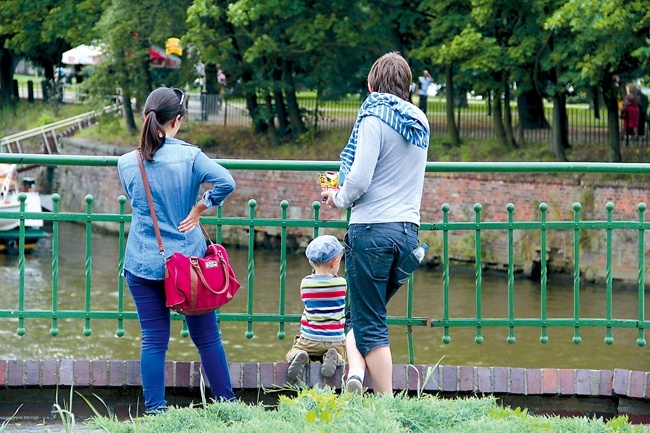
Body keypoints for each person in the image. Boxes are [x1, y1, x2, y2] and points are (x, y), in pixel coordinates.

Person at [117, 87, 237, 414]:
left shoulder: (127, 162)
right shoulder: (191, 156)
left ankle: (156, 411)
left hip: (143, 262)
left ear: (146, 117)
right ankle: (227, 405)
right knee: (208, 339)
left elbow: (138, 201)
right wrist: (201, 207)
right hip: (189, 266)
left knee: (154, 339)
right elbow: (226, 181)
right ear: (177, 121)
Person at [321, 52, 430, 396]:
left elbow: (359, 180)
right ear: (408, 87)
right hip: (407, 233)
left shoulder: (373, 117)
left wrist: (337, 199)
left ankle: (387, 404)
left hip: (371, 232)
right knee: (360, 315)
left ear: (371, 85)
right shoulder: (419, 120)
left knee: (371, 324)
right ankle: (355, 373)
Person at [285, 235, 347, 382]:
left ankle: (299, 355)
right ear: (335, 262)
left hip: (310, 338)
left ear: (310, 262)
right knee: (339, 354)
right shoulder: (341, 283)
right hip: (335, 339)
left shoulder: (305, 283)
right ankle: (333, 357)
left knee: (294, 351)